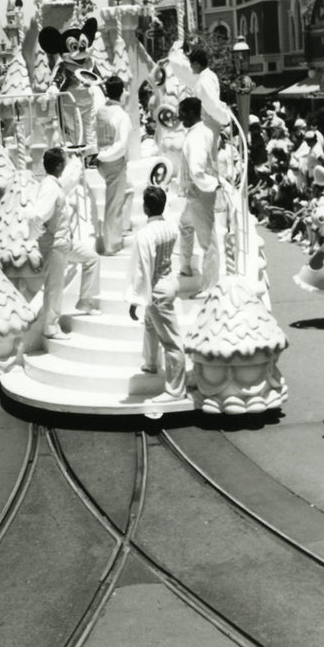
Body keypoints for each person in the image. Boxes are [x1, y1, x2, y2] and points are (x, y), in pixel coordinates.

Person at [31, 147, 101, 341]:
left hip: (64, 242)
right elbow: (38, 215)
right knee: (54, 286)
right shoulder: (50, 188)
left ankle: (85, 301)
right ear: (60, 164)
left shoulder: (54, 184)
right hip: (55, 244)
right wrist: (39, 236)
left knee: (92, 259)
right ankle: (50, 327)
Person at [126, 186, 186, 404]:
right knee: (150, 325)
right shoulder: (170, 228)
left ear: (145, 208)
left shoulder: (145, 234)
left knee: (171, 341)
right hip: (169, 281)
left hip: (157, 288)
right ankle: (150, 362)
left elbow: (142, 270)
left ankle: (175, 390)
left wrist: (135, 299)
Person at [177, 97, 224, 294]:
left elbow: (197, 169)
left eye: (181, 112)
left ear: (189, 112)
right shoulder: (203, 131)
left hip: (200, 192)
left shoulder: (196, 136)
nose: (179, 117)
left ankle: (210, 286)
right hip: (196, 192)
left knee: (207, 242)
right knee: (185, 224)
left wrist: (210, 185)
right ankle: (186, 265)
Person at [94, 75, 132, 255]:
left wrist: (99, 155)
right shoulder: (122, 115)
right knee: (113, 205)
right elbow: (122, 144)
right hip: (113, 162)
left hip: (103, 161)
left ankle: (121, 230)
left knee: (128, 191)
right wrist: (104, 156)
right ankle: (112, 244)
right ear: (121, 92)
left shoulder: (101, 111)